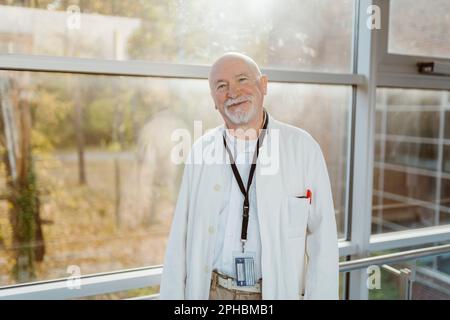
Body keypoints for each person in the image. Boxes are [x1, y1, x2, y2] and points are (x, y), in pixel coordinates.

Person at [159, 52, 339, 300]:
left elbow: (323, 242)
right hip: (210, 292)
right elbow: (179, 238)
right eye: (221, 86)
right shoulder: (201, 150)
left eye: (242, 80)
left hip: (272, 293)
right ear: (214, 100)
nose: (233, 92)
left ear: (263, 85)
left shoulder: (303, 148)